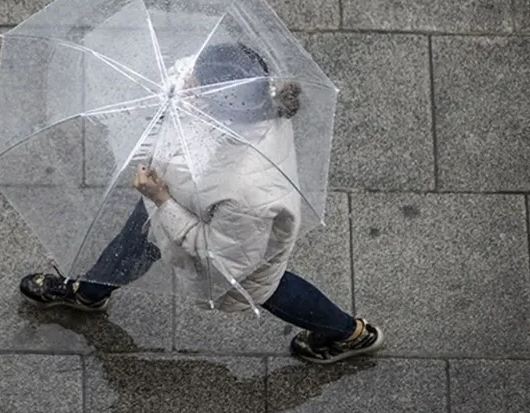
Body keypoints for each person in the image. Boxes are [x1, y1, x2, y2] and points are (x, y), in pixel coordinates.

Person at [20, 42, 384, 364]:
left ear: (221, 102)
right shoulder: (243, 96)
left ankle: (349, 334)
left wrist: (162, 200)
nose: (187, 78)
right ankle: (90, 292)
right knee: (134, 242)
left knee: (267, 287)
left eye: (196, 80)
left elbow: (219, 255)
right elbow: (180, 125)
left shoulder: (246, 191)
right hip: (178, 200)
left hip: (224, 237)